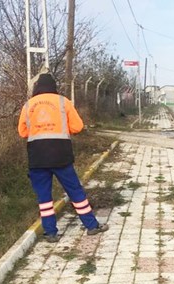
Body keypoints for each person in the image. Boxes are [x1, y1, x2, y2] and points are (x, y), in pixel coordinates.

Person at [18, 73, 108, 243]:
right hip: (61, 156)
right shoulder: (62, 102)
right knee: (75, 192)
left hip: (37, 157)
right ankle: (91, 226)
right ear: (54, 87)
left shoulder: (28, 105)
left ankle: (50, 233)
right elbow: (78, 126)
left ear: (37, 87)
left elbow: (22, 132)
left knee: (44, 198)